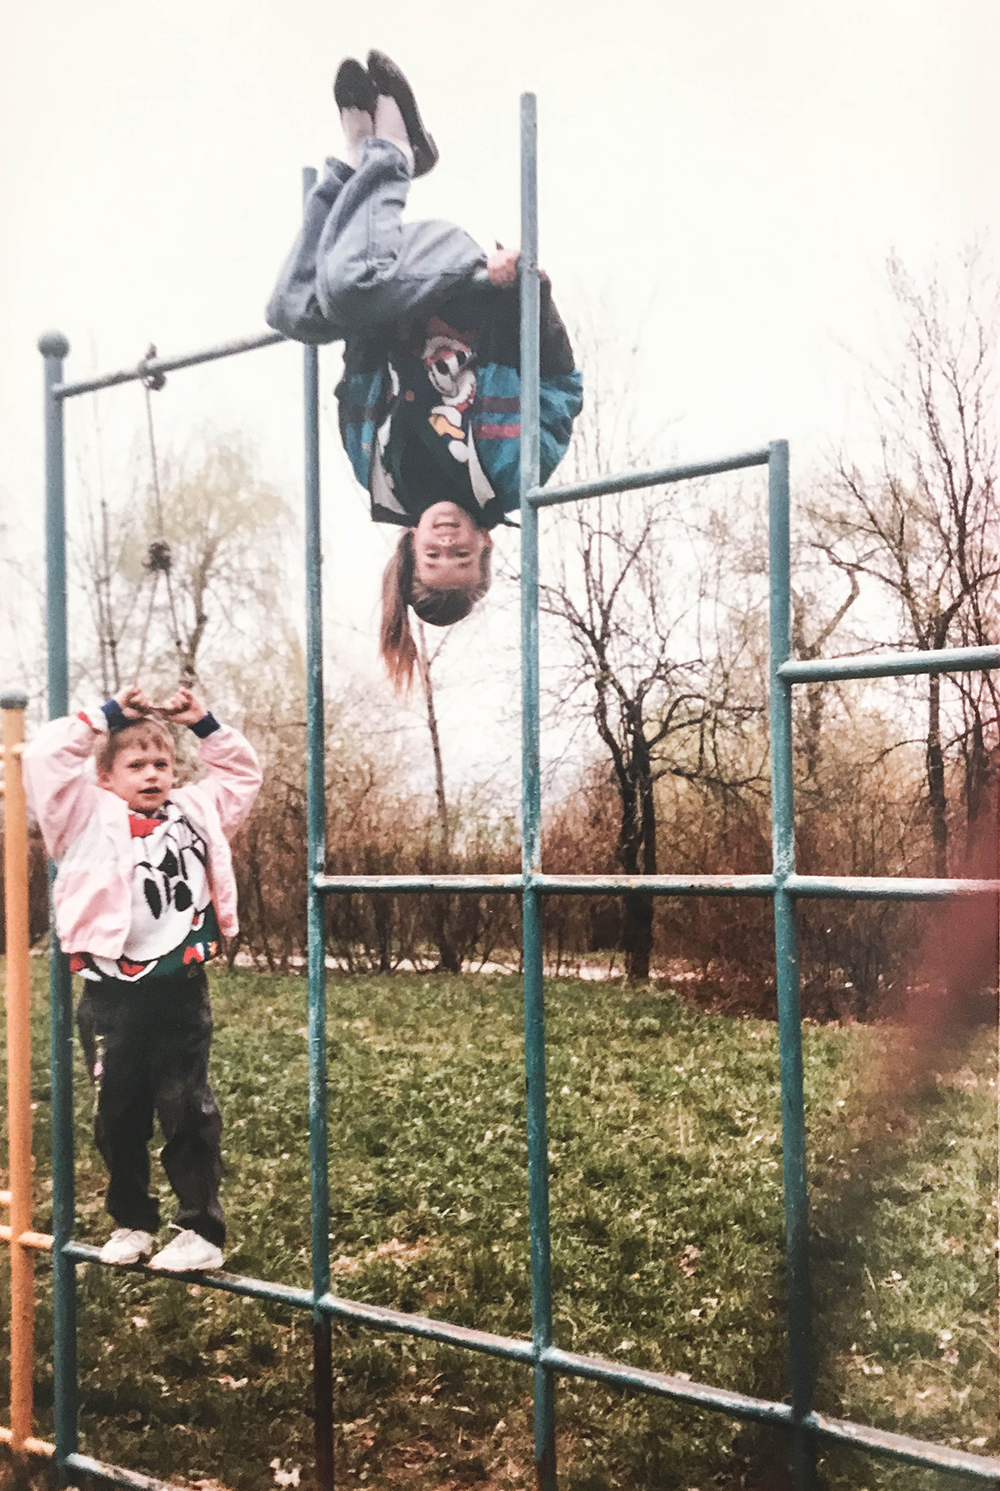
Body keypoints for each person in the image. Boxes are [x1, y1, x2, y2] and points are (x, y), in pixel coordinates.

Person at [266, 49, 583, 689]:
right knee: (349, 286)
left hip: (388, 294)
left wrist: (353, 321)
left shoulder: (378, 474)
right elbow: (560, 387)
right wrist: (529, 293)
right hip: (461, 282)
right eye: (459, 553)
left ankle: (356, 166)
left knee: (291, 311)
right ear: (485, 545)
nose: (446, 539)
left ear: (411, 543)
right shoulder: (514, 475)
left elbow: (356, 375)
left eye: (434, 554)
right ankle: (392, 151)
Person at [23, 685, 262, 1272]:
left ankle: (200, 1229)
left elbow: (241, 776)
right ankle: (132, 1221)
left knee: (188, 1107)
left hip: (180, 986)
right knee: (118, 1111)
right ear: (104, 777)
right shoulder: (81, 816)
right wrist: (104, 718)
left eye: (162, 764)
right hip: (111, 991)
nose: (152, 774)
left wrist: (204, 724)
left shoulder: (195, 811)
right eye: (136, 766)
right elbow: (45, 759)